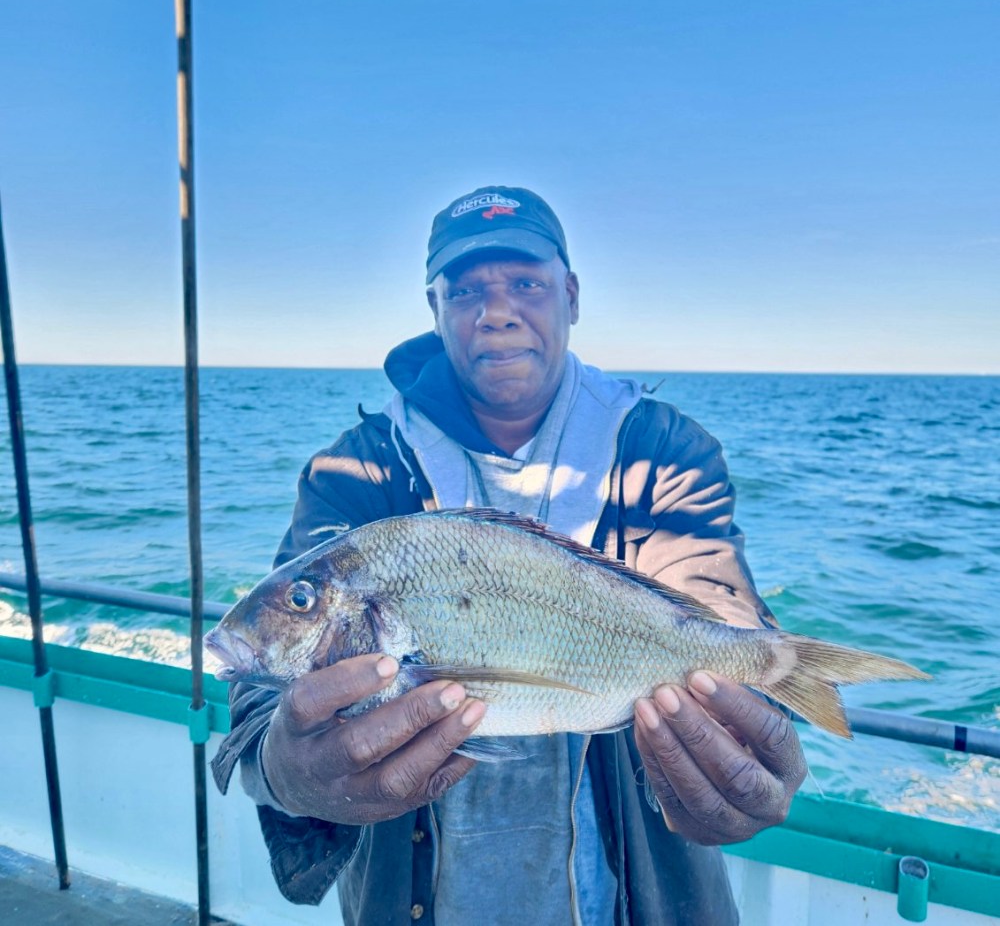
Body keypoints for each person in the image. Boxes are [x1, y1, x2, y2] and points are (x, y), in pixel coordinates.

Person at [212, 186, 807, 926]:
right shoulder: (357, 470)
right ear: (435, 310)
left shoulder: (661, 450)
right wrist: (287, 771)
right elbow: (257, 712)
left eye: (526, 282)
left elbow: (714, 604)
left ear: (572, 295)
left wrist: (748, 734)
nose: (496, 310)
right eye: (466, 290)